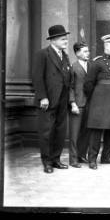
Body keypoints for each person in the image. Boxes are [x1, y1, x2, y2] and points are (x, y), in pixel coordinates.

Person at [32, 25, 71, 173]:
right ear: (53, 40)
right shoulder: (42, 54)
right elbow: (37, 77)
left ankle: (56, 160)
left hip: (62, 99)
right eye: (62, 39)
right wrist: (43, 97)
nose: (66, 41)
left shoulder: (65, 56)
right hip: (47, 100)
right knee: (47, 132)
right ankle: (47, 162)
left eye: (66, 38)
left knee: (60, 131)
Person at [84, 34, 110, 169]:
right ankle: (92, 159)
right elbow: (88, 83)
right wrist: (94, 99)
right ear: (106, 46)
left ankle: (106, 157)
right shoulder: (97, 62)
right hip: (99, 101)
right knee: (96, 130)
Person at [69, 42, 90, 168]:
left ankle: (82, 155)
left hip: (89, 104)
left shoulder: (91, 65)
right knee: (74, 134)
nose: (88, 53)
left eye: (88, 51)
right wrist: (72, 103)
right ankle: (73, 159)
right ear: (77, 53)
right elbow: (70, 87)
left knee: (86, 132)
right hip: (77, 104)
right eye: (84, 51)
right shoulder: (73, 67)